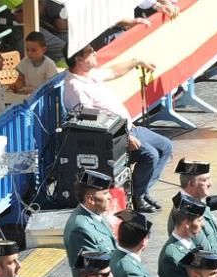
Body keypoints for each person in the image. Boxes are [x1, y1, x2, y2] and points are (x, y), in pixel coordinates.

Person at [62, 44, 173, 212]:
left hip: (128, 127)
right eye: (90, 52)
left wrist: (136, 61)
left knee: (165, 146)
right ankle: (138, 197)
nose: (95, 54)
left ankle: (142, 191)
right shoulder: (75, 86)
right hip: (114, 137)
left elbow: (113, 71)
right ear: (79, 59)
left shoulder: (89, 75)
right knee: (150, 154)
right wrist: (124, 137)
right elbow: (92, 121)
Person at [167, 159, 217, 259]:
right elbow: (205, 251)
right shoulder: (186, 212)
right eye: (204, 180)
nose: (210, 184)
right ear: (190, 184)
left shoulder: (200, 205)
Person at [63, 169, 117, 277]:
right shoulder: (80, 228)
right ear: (90, 199)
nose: (110, 197)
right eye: (105, 193)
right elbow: (93, 272)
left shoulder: (95, 216)